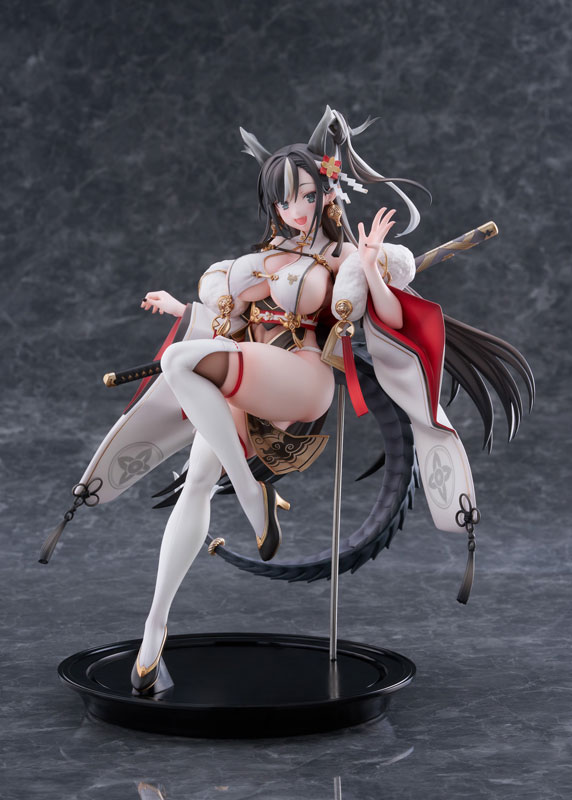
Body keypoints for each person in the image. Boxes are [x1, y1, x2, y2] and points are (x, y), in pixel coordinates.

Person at [43, 107, 533, 696]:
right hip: (249, 376)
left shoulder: (342, 256)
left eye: (303, 193)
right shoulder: (264, 254)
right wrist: (182, 309)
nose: (294, 208)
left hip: (303, 376)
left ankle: (252, 494)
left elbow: (393, 318)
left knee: (179, 363)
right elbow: (231, 320)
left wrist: (372, 266)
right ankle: (153, 635)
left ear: (325, 189)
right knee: (194, 483)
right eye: (282, 198)